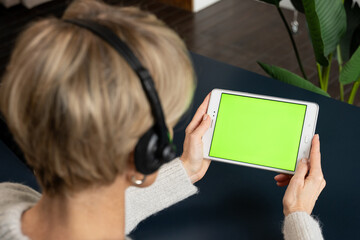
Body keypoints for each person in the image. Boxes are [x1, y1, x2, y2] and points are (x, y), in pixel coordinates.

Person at [0, 0, 326, 239]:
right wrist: (299, 219)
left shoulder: (7, 200)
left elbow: (88, 214)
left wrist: (186, 168)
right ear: (147, 149)